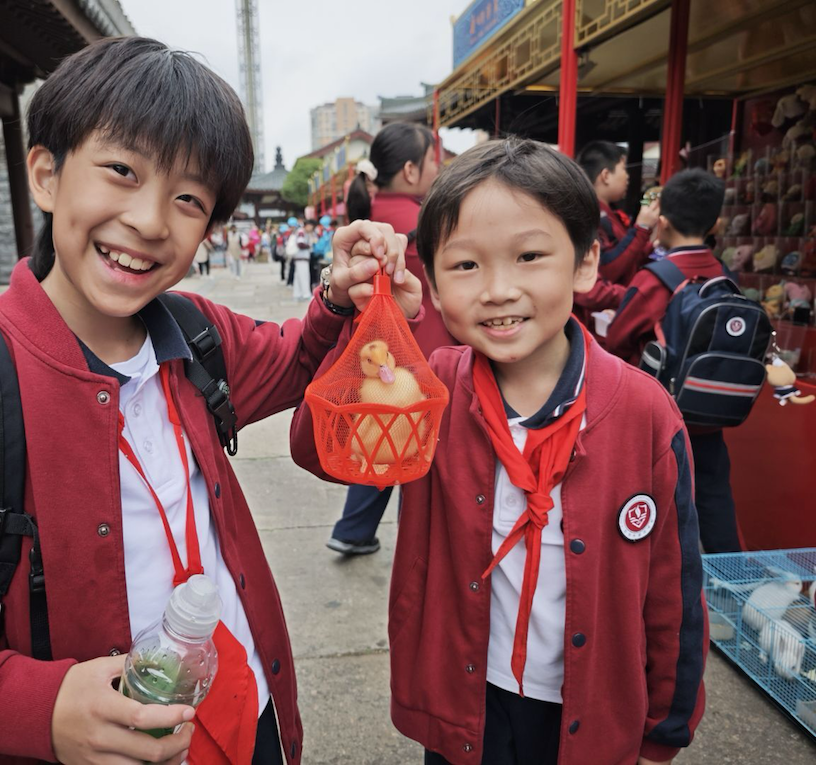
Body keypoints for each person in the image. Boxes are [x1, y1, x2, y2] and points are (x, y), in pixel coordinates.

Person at [0, 35, 410, 765]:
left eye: (188, 199)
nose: (150, 221)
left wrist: (338, 296)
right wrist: (30, 704)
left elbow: (293, 359)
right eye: (122, 171)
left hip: (246, 715)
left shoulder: (197, 336)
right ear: (46, 174)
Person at [291, 139, 706, 764]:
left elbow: (675, 584)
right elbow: (320, 450)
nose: (498, 290)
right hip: (464, 702)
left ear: (586, 264)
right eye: (466, 265)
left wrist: (664, 728)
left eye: (530, 256)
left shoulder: (645, 414)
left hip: (588, 710)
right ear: (433, 286)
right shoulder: (429, 389)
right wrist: (376, 326)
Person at [327, 122, 454, 556]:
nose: (438, 168)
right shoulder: (427, 222)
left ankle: (353, 529)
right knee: (414, 452)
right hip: (425, 354)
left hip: (375, 358)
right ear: (410, 170)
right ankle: (413, 545)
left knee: (376, 439)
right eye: (433, 160)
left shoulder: (366, 219)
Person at [606, 168, 739, 553]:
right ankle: (730, 578)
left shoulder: (655, 278)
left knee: (655, 502)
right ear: (715, 223)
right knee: (714, 498)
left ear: (662, 222)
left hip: (658, 415)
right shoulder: (724, 274)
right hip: (709, 412)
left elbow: (617, 339)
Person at [573, 141, 660, 328]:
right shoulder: (588, 215)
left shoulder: (609, 214)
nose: (628, 177)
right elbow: (607, 268)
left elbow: (628, 259)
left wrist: (653, 240)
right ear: (605, 175)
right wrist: (642, 228)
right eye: (623, 169)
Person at [288, 217, 312, 301]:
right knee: (304, 277)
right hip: (302, 258)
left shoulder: (300, 231)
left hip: (299, 258)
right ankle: (306, 294)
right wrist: (309, 246)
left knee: (298, 278)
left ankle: (297, 294)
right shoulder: (302, 232)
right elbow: (300, 243)